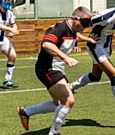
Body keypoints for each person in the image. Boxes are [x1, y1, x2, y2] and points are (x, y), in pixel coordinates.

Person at [17, 6, 97, 135]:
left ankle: (26, 111)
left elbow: (76, 36)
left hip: (56, 68)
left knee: (58, 103)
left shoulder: (72, 29)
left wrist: (89, 40)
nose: (85, 27)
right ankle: (54, 132)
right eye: (84, 23)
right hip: (47, 68)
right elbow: (47, 44)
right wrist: (66, 58)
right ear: (75, 19)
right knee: (69, 100)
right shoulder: (60, 28)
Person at [70, 0, 115, 124]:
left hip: (104, 47)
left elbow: (110, 31)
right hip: (95, 47)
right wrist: (76, 41)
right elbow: (82, 23)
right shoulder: (105, 17)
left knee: (95, 77)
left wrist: (109, 47)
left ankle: (71, 87)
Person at [0, 0, 19, 88]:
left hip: (2, 39)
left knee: (12, 56)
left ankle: (7, 80)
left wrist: (13, 32)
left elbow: (14, 25)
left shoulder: (9, 13)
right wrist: (9, 29)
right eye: (4, 7)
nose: (5, 9)